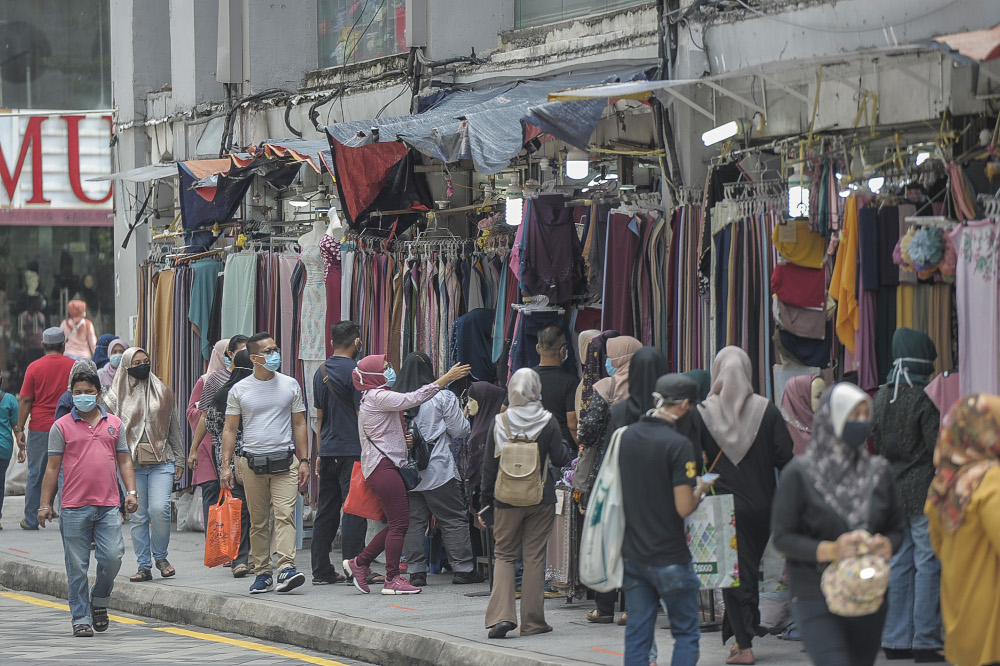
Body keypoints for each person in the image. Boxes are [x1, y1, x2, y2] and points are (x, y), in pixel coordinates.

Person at [772, 382, 906, 666]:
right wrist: (833, 550)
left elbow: (897, 528)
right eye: (852, 415)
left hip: (867, 593)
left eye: (864, 415)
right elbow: (783, 537)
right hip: (813, 592)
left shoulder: (878, 471)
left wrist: (886, 544)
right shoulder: (800, 474)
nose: (861, 423)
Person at [696, 346, 794, 665]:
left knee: (732, 574)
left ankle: (744, 644)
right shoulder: (767, 410)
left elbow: (692, 458)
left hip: (721, 504)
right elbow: (784, 454)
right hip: (762, 505)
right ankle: (743, 635)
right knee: (748, 569)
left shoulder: (704, 412)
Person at [343, 354, 470, 596]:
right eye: (386, 368)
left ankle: (360, 563)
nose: (391, 371)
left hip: (387, 466)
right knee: (401, 524)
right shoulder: (379, 396)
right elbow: (414, 398)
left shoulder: (373, 397)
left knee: (399, 524)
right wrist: (446, 378)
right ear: (373, 375)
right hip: (385, 468)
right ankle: (390, 577)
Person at [36, 363, 139, 637]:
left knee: (113, 557)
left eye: (89, 391)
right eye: (78, 391)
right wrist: (45, 504)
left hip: (108, 506)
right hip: (72, 507)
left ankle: (100, 599)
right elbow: (52, 468)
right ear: (71, 393)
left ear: (98, 392)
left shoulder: (114, 424)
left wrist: (130, 492)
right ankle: (80, 617)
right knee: (77, 567)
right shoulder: (61, 427)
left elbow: (125, 460)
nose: (83, 395)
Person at [621, 373, 716, 666]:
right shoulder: (678, 445)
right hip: (670, 556)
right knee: (686, 633)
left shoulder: (627, 436)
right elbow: (684, 507)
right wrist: (700, 489)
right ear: (686, 404)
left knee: (637, 633)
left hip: (634, 554)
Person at [481, 368, 572, 639]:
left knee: (505, 555)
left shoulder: (499, 422)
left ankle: (502, 616)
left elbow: (488, 466)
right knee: (534, 557)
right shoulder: (547, 420)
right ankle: (533, 622)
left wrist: (486, 502)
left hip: (505, 499)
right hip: (540, 497)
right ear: (535, 390)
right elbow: (559, 458)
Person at [872, 328, 944, 661]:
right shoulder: (924, 398)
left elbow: (876, 442)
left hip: (891, 491)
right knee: (927, 563)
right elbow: (935, 449)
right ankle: (925, 640)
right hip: (923, 492)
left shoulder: (881, 396)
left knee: (899, 562)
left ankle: (896, 639)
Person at [221, 333, 310, 595]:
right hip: (252, 464)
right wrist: (226, 466)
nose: (275, 355)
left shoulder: (290, 384)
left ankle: (286, 567)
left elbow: (299, 423)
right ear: (255, 357)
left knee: (284, 516)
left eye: (276, 349)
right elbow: (229, 429)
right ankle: (262, 572)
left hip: (285, 461)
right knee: (259, 521)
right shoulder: (240, 390)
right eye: (269, 351)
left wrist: (304, 460)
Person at [589, 346, 668, 625]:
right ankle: (635, 607)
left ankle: (605, 607)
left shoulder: (622, 410)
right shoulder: (671, 413)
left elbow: (612, 451)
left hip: (626, 488)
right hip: (661, 491)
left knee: (616, 545)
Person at [926, 394, 1000, 666]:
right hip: (992, 628)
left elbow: (938, 546)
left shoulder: (943, 484)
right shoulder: (991, 479)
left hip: (960, 619)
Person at [395, 351, 480, 586]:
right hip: (438, 468)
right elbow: (460, 431)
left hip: (406, 471)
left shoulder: (394, 397)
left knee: (413, 521)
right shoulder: (442, 398)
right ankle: (463, 569)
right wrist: (464, 417)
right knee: (453, 517)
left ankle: (416, 572)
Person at [105, 347, 184, 582]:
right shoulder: (112, 399)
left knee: (160, 510)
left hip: (162, 461)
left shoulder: (163, 393)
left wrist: (179, 458)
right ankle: (144, 566)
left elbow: (174, 428)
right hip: (130, 465)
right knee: (138, 516)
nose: (142, 365)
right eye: (137, 362)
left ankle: (161, 556)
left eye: (146, 360)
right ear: (127, 367)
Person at [310, 321, 366, 586]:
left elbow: (319, 417)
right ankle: (353, 568)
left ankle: (321, 570)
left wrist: (320, 451)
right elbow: (361, 414)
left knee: (327, 511)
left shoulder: (319, 372)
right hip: (352, 449)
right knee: (354, 510)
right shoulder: (357, 371)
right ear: (357, 342)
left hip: (329, 449)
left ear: (332, 342)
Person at [16, 327, 76, 530]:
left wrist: (19, 428)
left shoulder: (34, 367)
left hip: (40, 427)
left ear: (43, 345)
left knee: (37, 472)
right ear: (63, 344)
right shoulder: (74, 366)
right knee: (66, 470)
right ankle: (67, 516)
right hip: (68, 425)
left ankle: (31, 519)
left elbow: (25, 400)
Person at [205, 349, 254, 578]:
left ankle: (243, 558)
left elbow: (212, 424)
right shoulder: (233, 392)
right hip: (238, 457)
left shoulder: (225, 392)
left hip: (231, 455)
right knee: (245, 508)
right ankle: (243, 558)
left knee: (244, 510)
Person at [577, 336, 642, 497]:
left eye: (611, 357)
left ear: (622, 358)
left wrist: (582, 437)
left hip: (607, 461)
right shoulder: (648, 385)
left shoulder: (608, 386)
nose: (608, 361)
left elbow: (591, 425)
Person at [505, 326, 580, 446]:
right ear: (563, 350)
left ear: (537, 348)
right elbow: (572, 423)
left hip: (528, 447)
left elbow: (505, 410)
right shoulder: (571, 382)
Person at [186, 340, 229, 531]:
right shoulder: (205, 380)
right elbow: (191, 411)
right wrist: (210, 413)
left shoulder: (241, 379)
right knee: (211, 492)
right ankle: (213, 543)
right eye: (225, 354)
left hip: (227, 445)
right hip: (205, 444)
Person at [780, 374, 820, 457]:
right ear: (803, 399)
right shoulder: (783, 435)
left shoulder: (826, 429)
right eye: (818, 396)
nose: (823, 399)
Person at [0, 373, 21, 527]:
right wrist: (22, 447)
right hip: (4, 448)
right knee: (0, 483)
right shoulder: (10, 400)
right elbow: (16, 428)